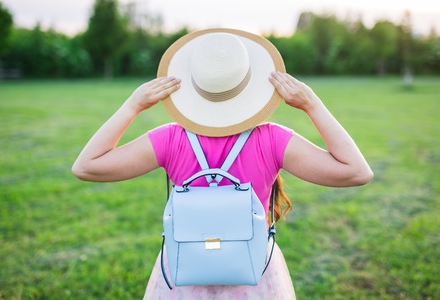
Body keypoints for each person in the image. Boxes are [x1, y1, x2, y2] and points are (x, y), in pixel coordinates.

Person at [72, 28, 373, 299]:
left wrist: (133, 105)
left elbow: (86, 166)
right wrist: (311, 103)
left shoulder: (170, 139)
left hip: (184, 276)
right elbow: (356, 171)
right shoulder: (272, 140)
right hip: (253, 277)